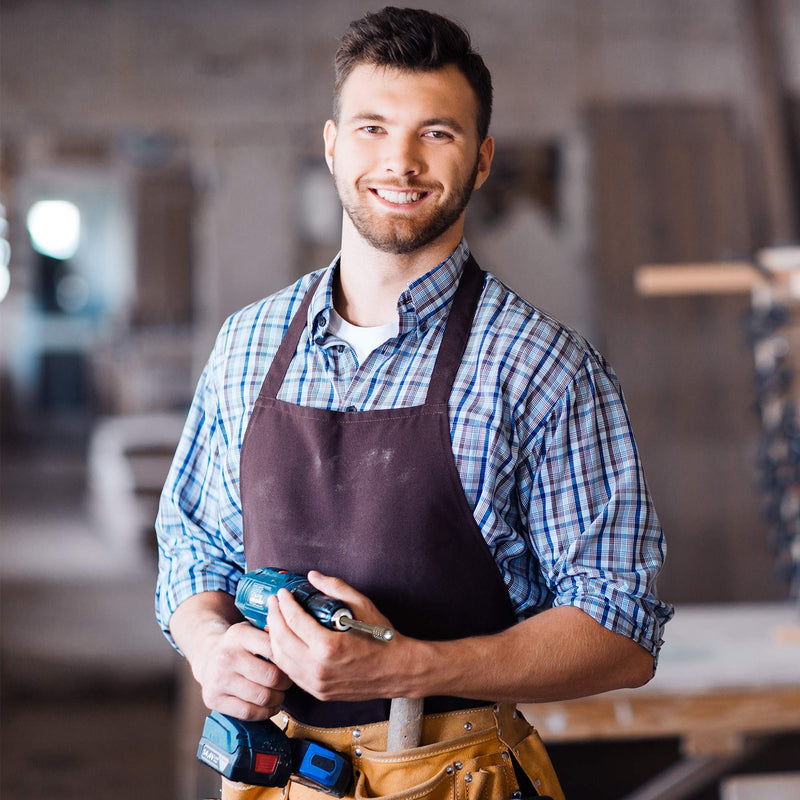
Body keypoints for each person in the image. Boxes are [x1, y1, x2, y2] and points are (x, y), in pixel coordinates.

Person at [156, 7, 672, 800]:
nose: (400, 161)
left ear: (482, 158)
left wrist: (410, 666)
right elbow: (193, 543)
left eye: (437, 133)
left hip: (457, 775)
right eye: (371, 127)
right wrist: (209, 644)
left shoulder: (542, 368)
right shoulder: (248, 344)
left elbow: (621, 628)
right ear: (332, 146)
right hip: (279, 775)